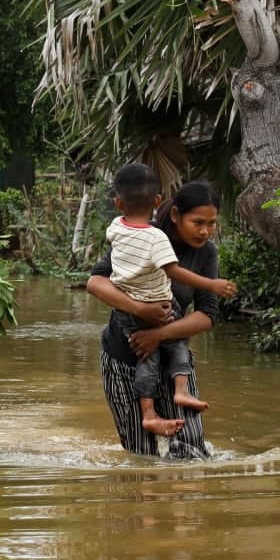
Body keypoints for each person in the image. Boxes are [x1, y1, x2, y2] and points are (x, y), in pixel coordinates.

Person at [87, 177, 231, 458]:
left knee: (192, 450)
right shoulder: (141, 236)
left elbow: (208, 315)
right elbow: (96, 282)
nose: (205, 232)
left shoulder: (206, 253)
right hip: (123, 357)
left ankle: (184, 500)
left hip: (173, 358)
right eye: (198, 222)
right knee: (142, 453)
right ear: (176, 215)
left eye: (211, 224)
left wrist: (158, 335)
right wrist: (140, 310)